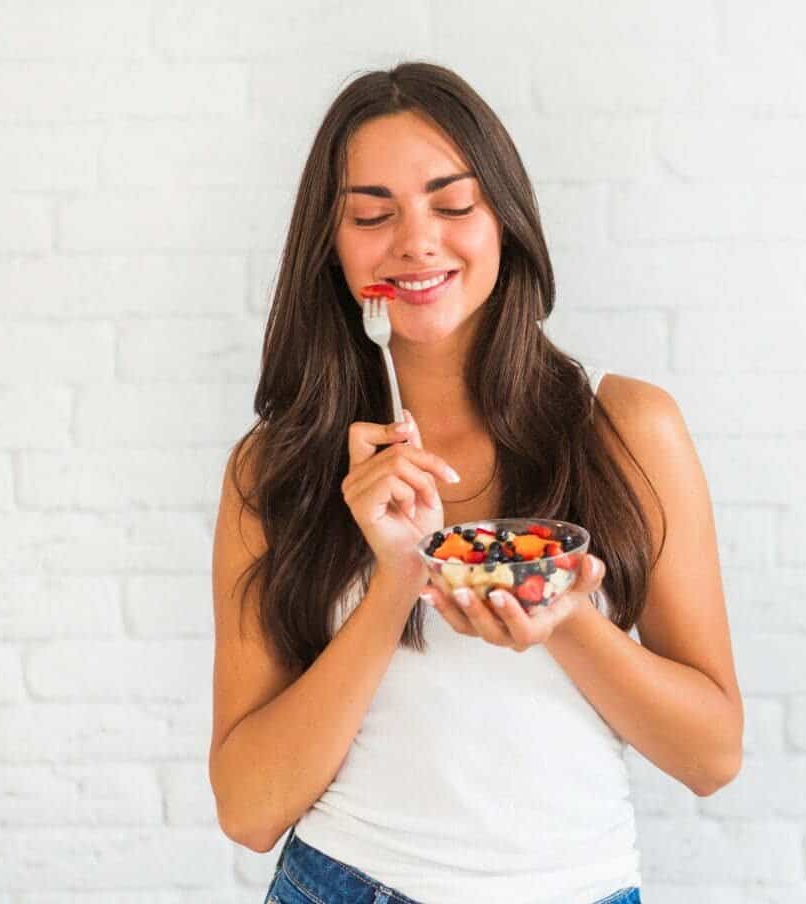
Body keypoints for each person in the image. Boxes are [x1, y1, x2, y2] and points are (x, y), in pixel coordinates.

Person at [207, 62, 742, 903]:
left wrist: (563, 616)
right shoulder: (275, 468)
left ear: (506, 222)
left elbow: (712, 757)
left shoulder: (628, 429)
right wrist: (396, 578)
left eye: (453, 205)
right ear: (331, 247)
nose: (417, 242)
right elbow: (248, 809)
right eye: (372, 215)